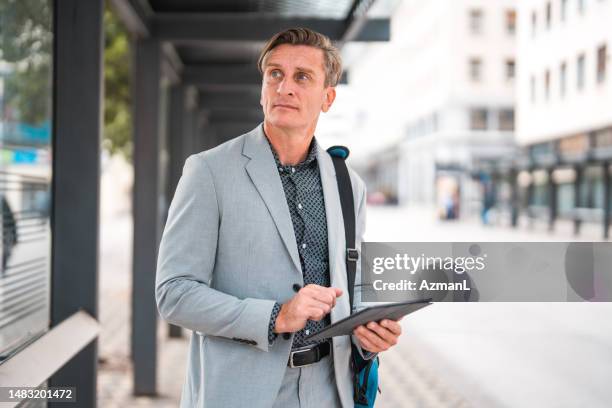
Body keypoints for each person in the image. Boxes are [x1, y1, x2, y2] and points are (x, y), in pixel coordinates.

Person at [155, 27, 403, 408]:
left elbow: (352, 290)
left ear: (328, 97)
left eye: (302, 77)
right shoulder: (208, 171)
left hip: (329, 392)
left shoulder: (348, 185)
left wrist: (369, 337)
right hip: (238, 394)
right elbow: (174, 293)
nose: (285, 86)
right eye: (275, 74)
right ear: (262, 88)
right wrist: (276, 317)